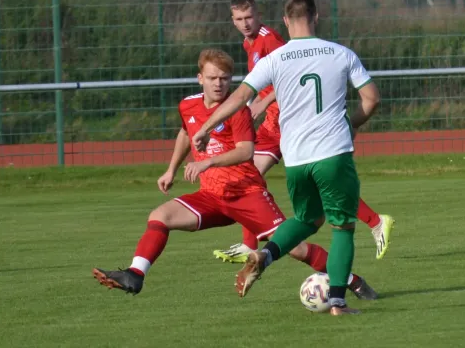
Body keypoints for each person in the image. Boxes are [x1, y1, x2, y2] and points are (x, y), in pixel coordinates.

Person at [92, 48, 377, 300]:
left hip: (246, 193)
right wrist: (171, 169)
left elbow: (245, 151)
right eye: (213, 77)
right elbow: (184, 132)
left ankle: (352, 282)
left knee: (296, 248)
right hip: (212, 196)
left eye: (225, 78)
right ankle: (135, 275)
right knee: (159, 216)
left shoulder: (237, 111)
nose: (219, 83)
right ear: (199, 78)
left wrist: (207, 163)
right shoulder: (188, 105)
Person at [192, 0, 381, 315]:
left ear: (284, 20)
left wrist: (206, 127)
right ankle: (337, 302)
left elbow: (239, 97)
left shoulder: (275, 58)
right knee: (342, 227)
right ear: (316, 16)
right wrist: (352, 123)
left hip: (295, 159)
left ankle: (265, 254)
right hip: (333, 153)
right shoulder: (340, 53)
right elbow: (372, 98)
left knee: (308, 218)